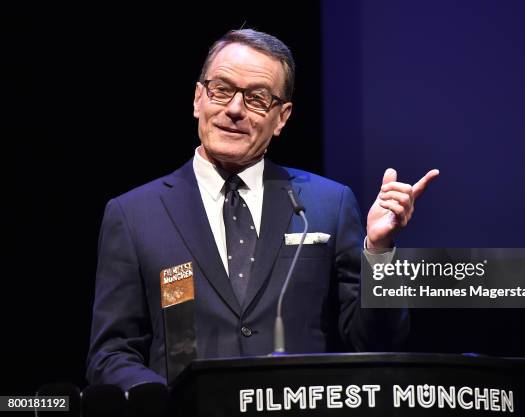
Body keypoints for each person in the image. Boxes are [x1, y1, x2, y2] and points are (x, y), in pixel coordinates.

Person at [86, 29, 439, 390]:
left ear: (282, 117)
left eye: (256, 98)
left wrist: (379, 253)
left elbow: (378, 344)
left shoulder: (327, 204)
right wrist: (168, 402)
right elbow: (110, 355)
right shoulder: (134, 215)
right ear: (197, 99)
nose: (234, 109)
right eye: (221, 90)